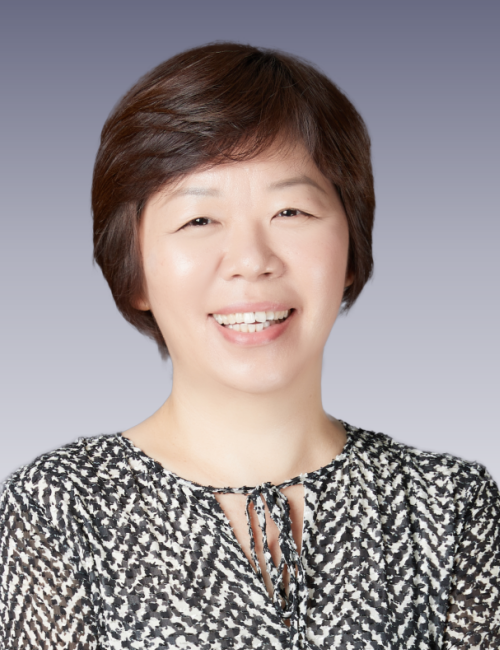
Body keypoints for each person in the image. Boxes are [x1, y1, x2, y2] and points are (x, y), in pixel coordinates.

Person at [0, 42, 499, 650]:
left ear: (351, 250)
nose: (251, 261)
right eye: (199, 220)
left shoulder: (449, 507)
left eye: (291, 211)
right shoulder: (58, 509)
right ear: (134, 271)